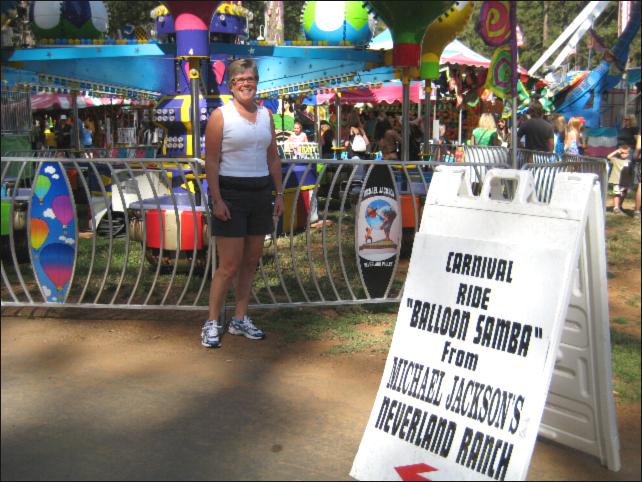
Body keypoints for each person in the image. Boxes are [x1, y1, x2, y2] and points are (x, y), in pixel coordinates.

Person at [203, 58, 284, 349]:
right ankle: (212, 322)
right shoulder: (220, 116)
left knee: (250, 262)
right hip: (231, 194)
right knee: (229, 264)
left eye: (250, 79)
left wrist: (279, 193)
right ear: (231, 85)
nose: (245, 84)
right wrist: (217, 199)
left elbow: (273, 158)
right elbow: (211, 161)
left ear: (257, 83)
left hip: (260, 193)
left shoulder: (266, 116)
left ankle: (239, 318)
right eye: (240, 80)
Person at [607, 143, 633, 214]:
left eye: (625, 153)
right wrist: (616, 151)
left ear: (628, 153)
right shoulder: (615, 160)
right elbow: (608, 156)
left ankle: (619, 205)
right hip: (617, 180)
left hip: (625, 181)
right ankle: (615, 207)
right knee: (617, 193)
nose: (623, 154)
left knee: (623, 193)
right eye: (622, 153)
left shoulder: (629, 162)